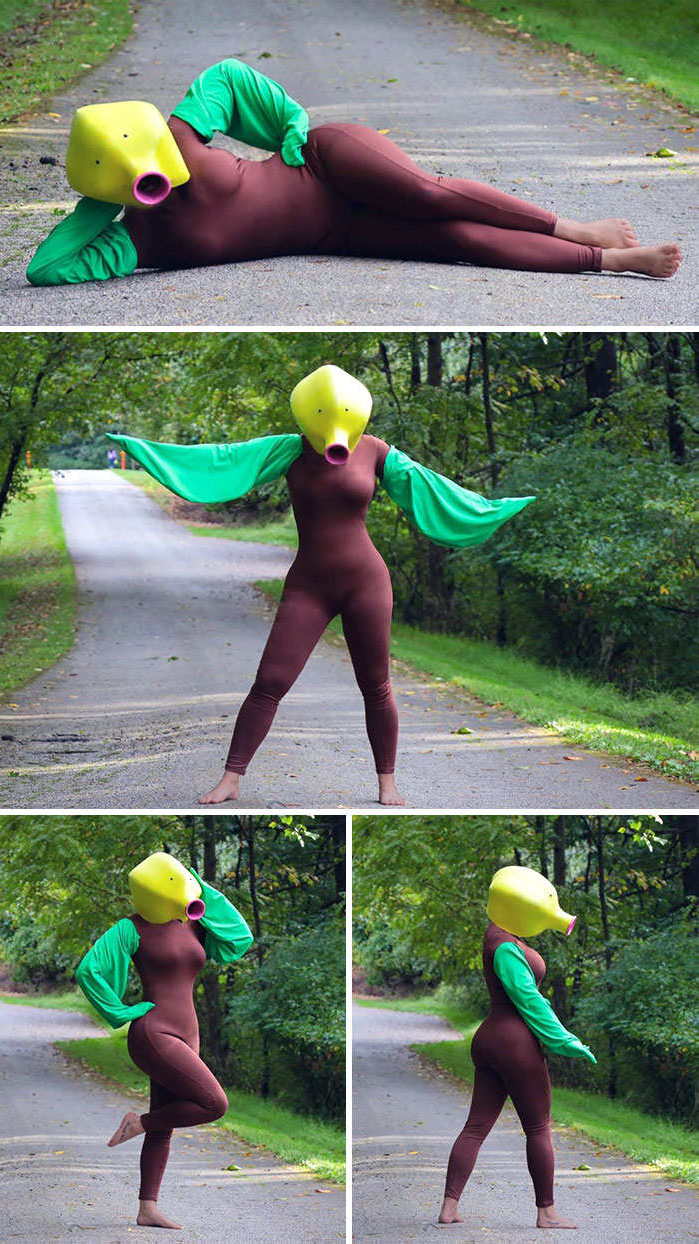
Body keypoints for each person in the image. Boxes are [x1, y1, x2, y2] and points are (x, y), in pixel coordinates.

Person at [107, 364, 535, 806]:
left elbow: (434, 492)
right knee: (270, 680)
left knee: (376, 685)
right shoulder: (289, 451)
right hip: (309, 585)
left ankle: (387, 783)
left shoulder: (376, 452)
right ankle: (231, 779)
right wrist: (147, 450)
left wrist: (491, 509)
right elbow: (222, 460)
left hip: (366, 583)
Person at [26, 59, 682, 286]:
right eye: (125, 171)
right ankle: (613, 263)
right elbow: (44, 270)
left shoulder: (178, 135)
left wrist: (289, 125)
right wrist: (94, 205)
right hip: (334, 235)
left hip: (323, 167)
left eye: (143, 152)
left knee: (430, 196)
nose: (150, 171)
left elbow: (226, 76)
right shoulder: (132, 241)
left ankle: (577, 228)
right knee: (456, 246)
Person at [76, 851, 254, 1230]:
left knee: (166, 1123)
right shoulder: (130, 928)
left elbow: (240, 938)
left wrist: (200, 888)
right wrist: (121, 1012)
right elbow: (88, 971)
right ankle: (138, 1122)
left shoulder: (193, 921)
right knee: (213, 1103)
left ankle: (147, 1209)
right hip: (154, 1032)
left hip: (188, 1033)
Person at [440, 866, 596, 1230]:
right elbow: (529, 1000)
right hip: (515, 1043)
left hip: (490, 1038)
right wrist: (564, 1040)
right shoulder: (507, 947)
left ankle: (448, 1208)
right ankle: (547, 1213)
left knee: (476, 1126)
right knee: (539, 1127)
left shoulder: (497, 932)